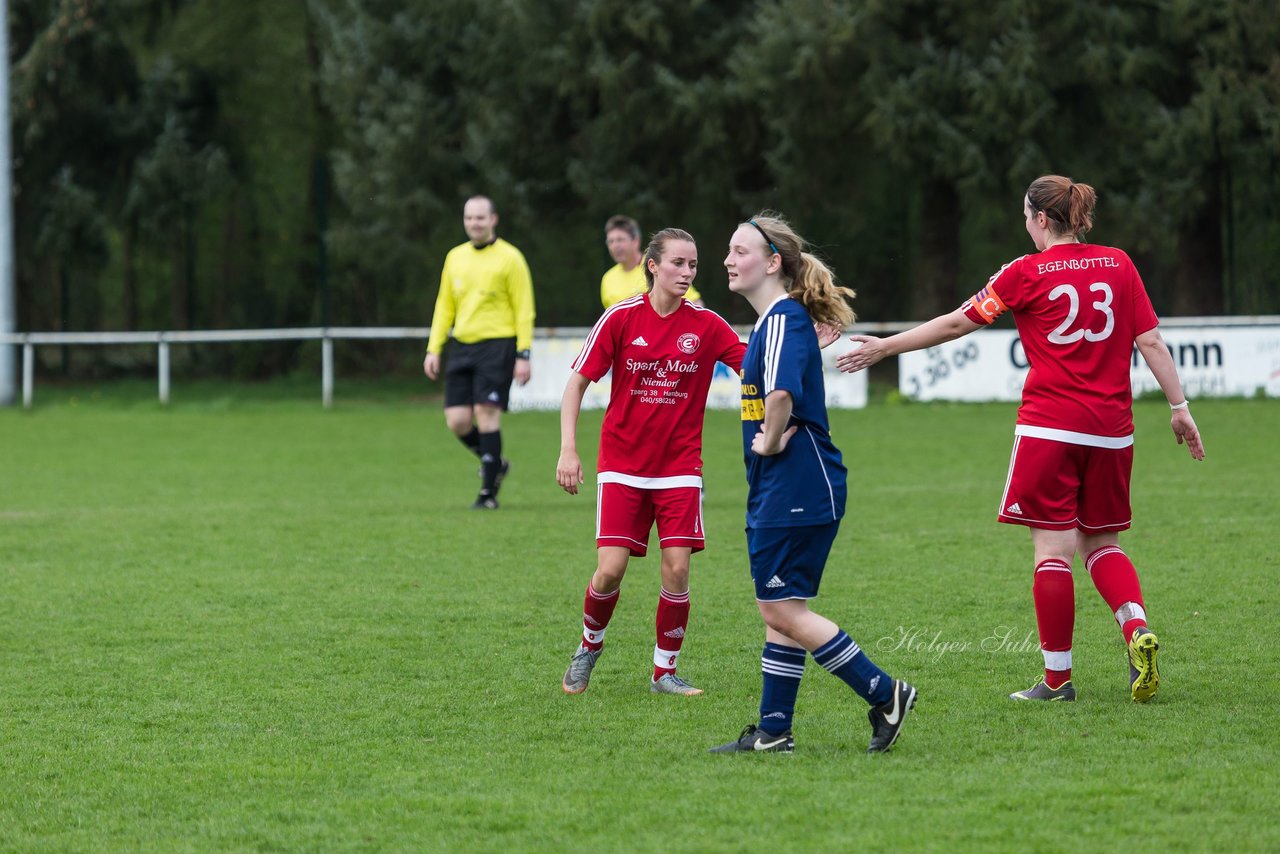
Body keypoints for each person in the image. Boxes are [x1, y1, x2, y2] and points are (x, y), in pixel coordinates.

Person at [836, 175, 1206, 703]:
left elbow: (954, 326)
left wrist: (885, 348)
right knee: (1102, 543)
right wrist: (1179, 408)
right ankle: (1135, 629)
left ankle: (1057, 681)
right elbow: (1150, 339)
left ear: (1039, 219)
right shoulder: (1119, 263)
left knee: (1052, 551)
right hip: (1111, 432)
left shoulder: (1024, 272)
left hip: (1050, 428)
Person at [710, 213, 917, 755]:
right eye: (728, 251)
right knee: (784, 608)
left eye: (739, 251)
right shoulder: (780, 322)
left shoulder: (780, 320)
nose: (728, 260)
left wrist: (772, 440)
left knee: (780, 609)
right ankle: (774, 731)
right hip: (789, 486)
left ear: (773, 262)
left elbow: (778, 397)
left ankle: (884, 692)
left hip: (796, 484)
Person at [557, 228, 744, 696]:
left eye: (694, 265)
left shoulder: (706, 325)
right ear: (653, 266)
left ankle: (665, 672)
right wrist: (568, 449)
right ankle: (589, 645)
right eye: (679, 263)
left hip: (680, 466)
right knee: (610, 571)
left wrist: (806, 345)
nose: (687, 273)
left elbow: (758, 366)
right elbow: (576, 384)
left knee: (678, 569)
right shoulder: (621, 318)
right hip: (621, 466)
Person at [424, 195, 535, 510]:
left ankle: (488, 493)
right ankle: (495, 463)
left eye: (480, 218)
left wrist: (523, 354)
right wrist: (434, 348)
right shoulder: (454, 257)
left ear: (493, 219)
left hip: (498, 345)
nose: (475, 223)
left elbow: (524, 308)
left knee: (486, 414)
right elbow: (444, 305)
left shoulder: (511, 258)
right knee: (457, 421)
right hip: (462, 346)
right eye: (469, 218)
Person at [600, 215, 702, 308]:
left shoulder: (659, 265)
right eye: (611, 241)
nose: (615, 246)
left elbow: (696, 304)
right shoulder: (607, 279)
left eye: (620, 240)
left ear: (636, 241)